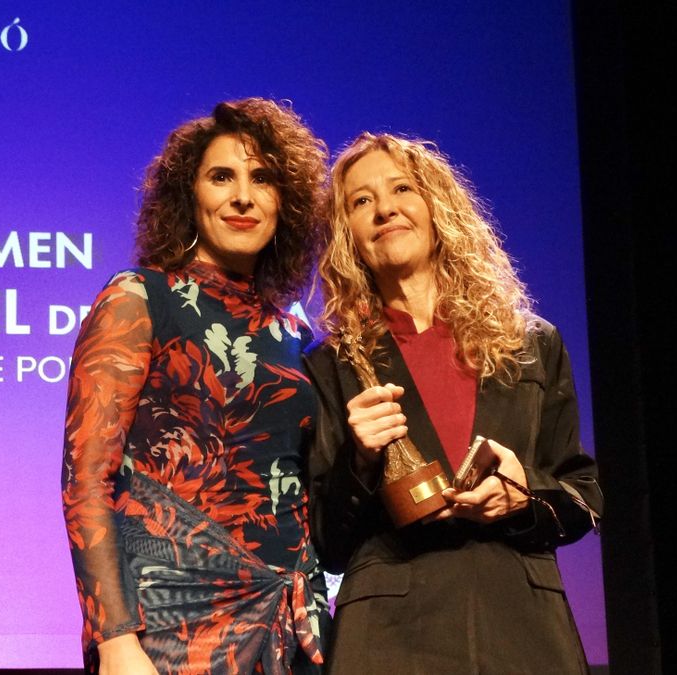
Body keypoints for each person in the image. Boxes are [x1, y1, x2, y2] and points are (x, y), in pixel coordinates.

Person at [305, 133, 603, 673]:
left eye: (402, 189)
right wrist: (361, 461)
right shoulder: (330, 365)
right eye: (360, 201)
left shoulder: (533, 342)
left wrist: (523, 494)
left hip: (522, 626)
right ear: (346, 235)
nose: (385, 208)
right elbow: (326, 543)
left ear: (438, 207)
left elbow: (584, 497)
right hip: (390, 636)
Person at [62, 99, 329, 674]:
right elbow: (86, 477)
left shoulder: (294, 332)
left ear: (287, 201)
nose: (243, 196)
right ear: (190, 194)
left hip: (292, 626)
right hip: (169, 629)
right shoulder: (138, 297)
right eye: (221, 177)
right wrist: (115, 640)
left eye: (262, 178)